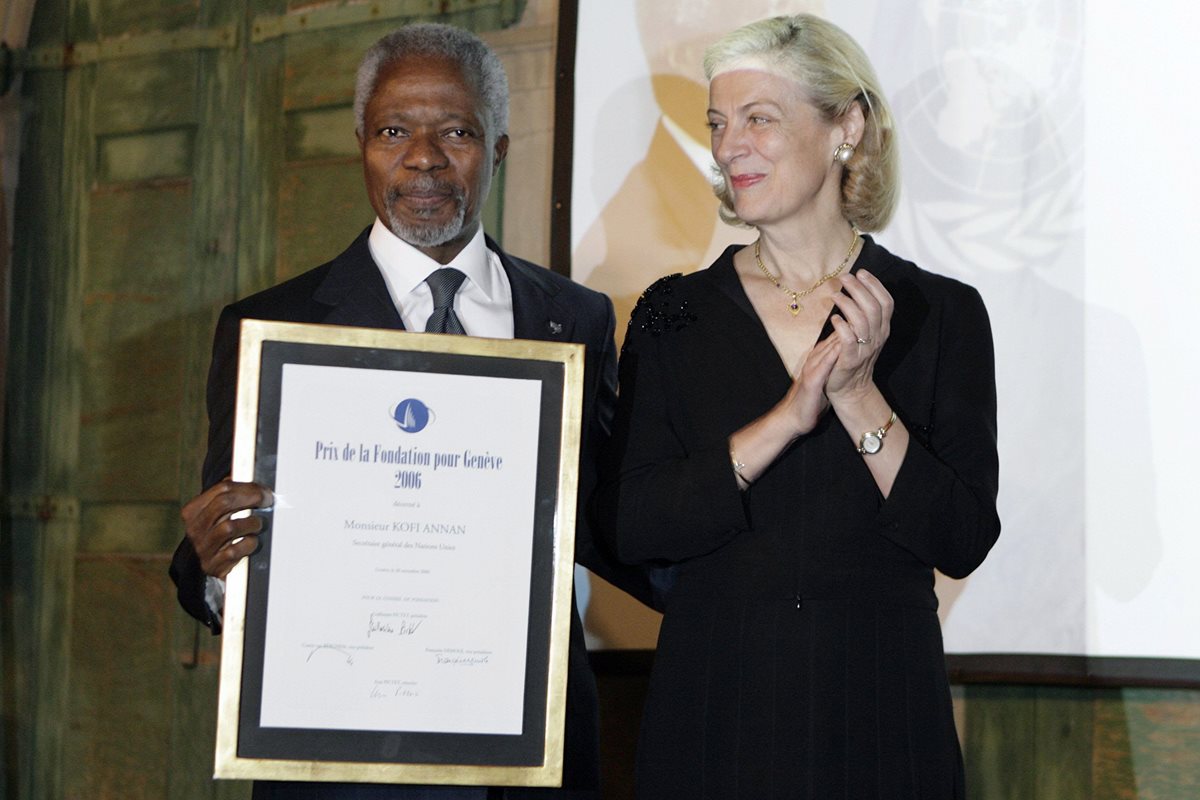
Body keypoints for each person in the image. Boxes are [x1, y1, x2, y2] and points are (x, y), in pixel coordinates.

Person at [170, 22, 654, 800]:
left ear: (496, 148)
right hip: (343, 764)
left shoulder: (576, 319)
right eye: (394, 130)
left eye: (455, 131)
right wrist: (217, 567)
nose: (423, 156)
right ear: (361, 141)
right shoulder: (273, 328)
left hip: (530, 758)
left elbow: (604, 519)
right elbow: (209, 555)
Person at [600, 14, 1000, 799]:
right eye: (718, 123)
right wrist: (783, 420)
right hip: (714, 721)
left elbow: (960, 536)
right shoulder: (671, 316)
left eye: (760, 118)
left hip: (884, 722)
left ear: (846, 126)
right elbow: (633, 525)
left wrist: (856, 396)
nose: (728, 146)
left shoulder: (939, 312)